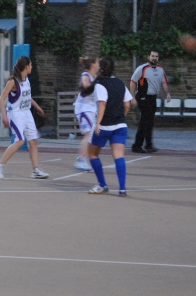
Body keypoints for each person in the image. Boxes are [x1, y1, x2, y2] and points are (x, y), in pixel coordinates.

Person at [0, 56, 49, 180]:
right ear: (26, 66)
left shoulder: (26, 79)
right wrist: (4, 116)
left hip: (26, 113)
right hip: (15, 114)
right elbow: (1, 99)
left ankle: (36, 170)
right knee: (20, 141)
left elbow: (27, 96)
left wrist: (37, 106)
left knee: (33, 141)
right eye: (31, 65)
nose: (32, 67)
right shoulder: (13, 82)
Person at [84, 56, 133, 196]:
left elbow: (102, 103)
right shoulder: (120, 83)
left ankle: (102, 185)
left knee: (92, 153)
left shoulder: (100, 84)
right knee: (119, 156)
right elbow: (127, 104)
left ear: (101, 68)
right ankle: (122, 189)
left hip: (105, 126)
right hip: (120, 125)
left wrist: (98, 122)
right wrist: (121, 116)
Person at [129, 50, 171, 153]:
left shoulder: (160, 69)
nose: (154, 58)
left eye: (156, 56)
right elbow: (133, 82)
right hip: (143, 96)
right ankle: (136, 145)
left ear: (158, 58)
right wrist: (133, 97)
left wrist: (167, 93)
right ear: (148, 57)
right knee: (145, 119)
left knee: (150, 121)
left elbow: (164, 82)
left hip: (153, 98)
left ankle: (148, 145)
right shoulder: (142, 68)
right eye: (152, 56)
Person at [73, 56, 100, 171]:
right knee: (88, 134)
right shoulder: (86, 75)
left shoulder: (95, 77)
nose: (99, 65)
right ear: (93, 64)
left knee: (91, 134)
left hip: (91, 109)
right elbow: (85, 84)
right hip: (83, 109)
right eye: (98, 62)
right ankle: (81, 160)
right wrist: (92, 84)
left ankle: (83, 158)